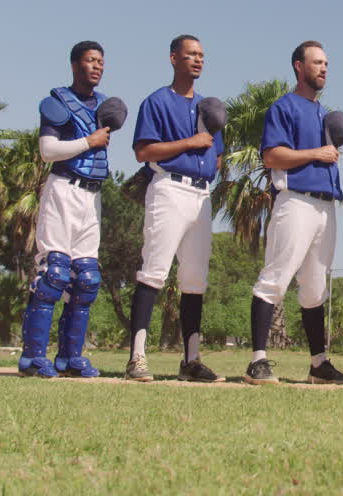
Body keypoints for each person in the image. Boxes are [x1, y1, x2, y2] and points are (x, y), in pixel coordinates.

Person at [245, 41, 343, 385]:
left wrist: (327, 157)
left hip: (325, 205)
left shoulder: (325, 114)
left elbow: (324, 155)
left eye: (326, 63)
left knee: (315, 289)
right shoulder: (284, 107)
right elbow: (272, 157)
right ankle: (257, 361)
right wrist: (316, 154)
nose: (323, 68)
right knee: (274, 279)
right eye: (316, 62)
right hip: (295, 201)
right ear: (298, 66)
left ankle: (318, 364)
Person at [124, 35, 225, 383]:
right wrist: (191, 144)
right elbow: (143, 152)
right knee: (154, 271)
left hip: (201, 194)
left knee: (195, 279)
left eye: (201, 55)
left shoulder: (208, 108)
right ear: (173, 58)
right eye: (190, 54)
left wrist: (208, 158)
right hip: (168, 188)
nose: (197, 60)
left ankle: (191, 361)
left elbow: (218, 154)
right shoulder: (157, 101)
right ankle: (137, 358)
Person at [18, 41, 113, 378]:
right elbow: (47, 151)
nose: (97, 67)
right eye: (90, 61)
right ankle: (32, 357)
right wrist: (89, 142)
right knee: (54, 273)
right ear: (75, 65)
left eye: (101, 61)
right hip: (63, 189)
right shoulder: (57, 103)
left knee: (86, 278)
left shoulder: (105, 106)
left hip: (92, 196)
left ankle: (70, 357)